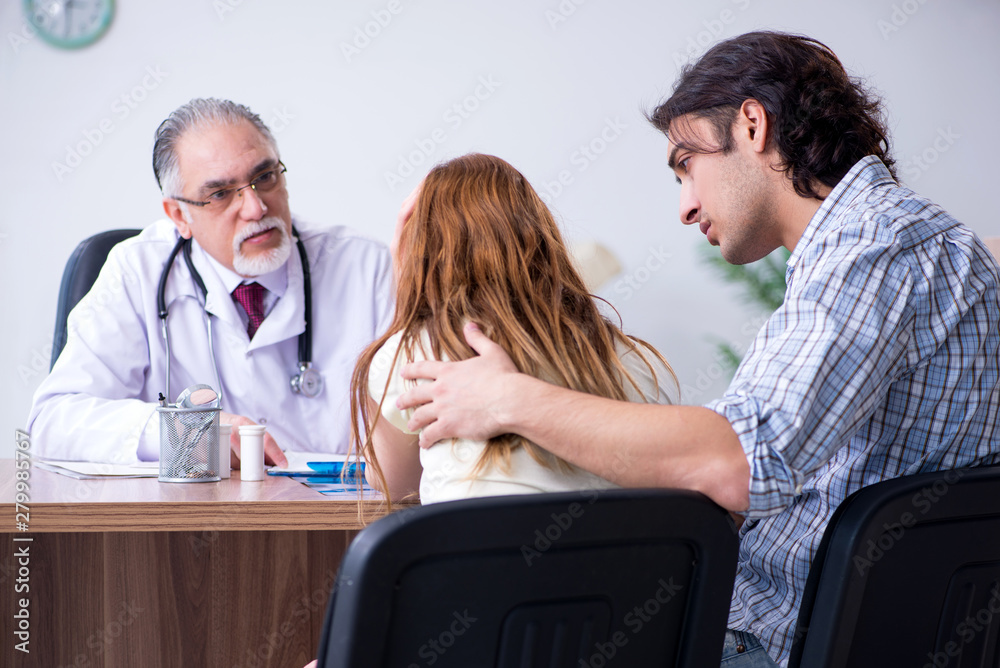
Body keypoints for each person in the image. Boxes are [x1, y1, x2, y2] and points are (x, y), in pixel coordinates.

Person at [393, 32, 1000, 667]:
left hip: (763, 647)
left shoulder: (876, 247)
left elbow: (740, 462)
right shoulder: (897, 245)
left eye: (686, 165)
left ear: (753, 125)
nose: (685, 207)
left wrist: (508, 400)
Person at [28, 98, 393, 468]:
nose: (255, 208)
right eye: (219, 194)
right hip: (198, 506)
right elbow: (53, 422)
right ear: (179, 215)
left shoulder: (368, 267)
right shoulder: (137, 271)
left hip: (340, 505)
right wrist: (187, 432)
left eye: (265, 177)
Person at [351, 153, 676, 507]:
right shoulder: (634, 360)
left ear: (418, 253)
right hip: (612, 545)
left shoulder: (411, 354)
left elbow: (394, 484)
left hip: (471, 544)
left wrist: (406, 297)